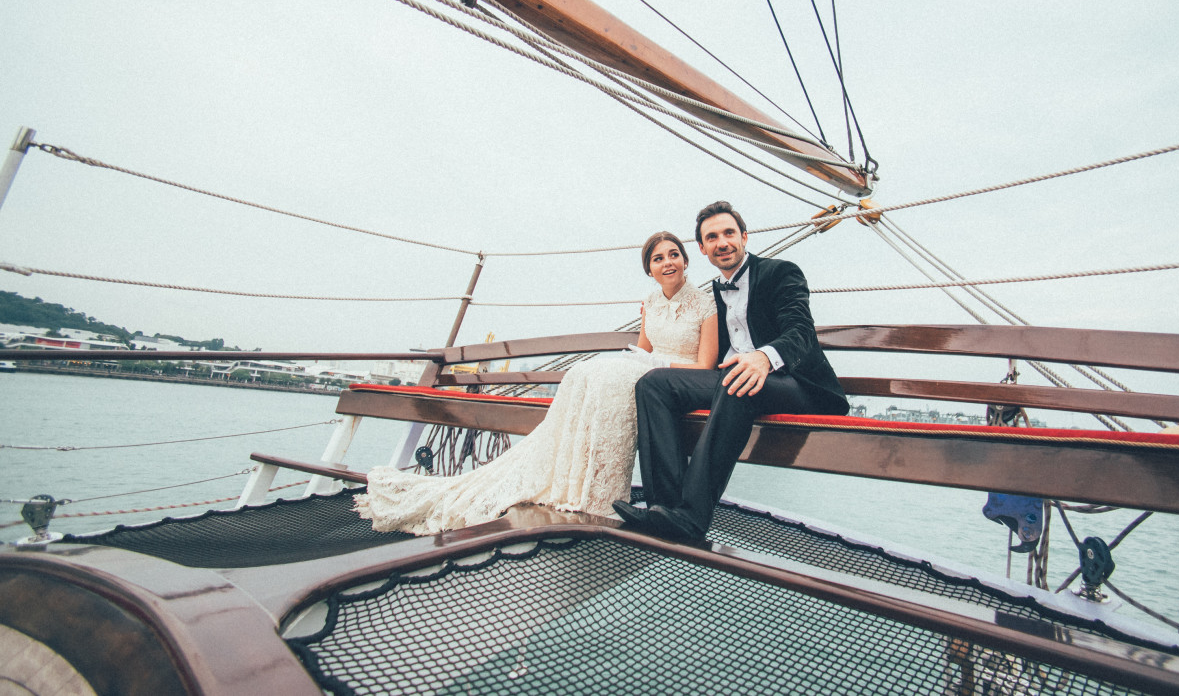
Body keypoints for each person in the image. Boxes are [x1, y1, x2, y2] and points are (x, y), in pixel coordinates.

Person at [356, 231, 718, 535]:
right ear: (649, 269)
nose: (667, 262)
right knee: (584, 373)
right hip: (646, 369)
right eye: (658, 258)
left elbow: (705, 364)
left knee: (604, 379)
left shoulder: (706, 305)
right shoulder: (650, 302)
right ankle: (574, 481)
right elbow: (642, 349)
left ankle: (597, 491)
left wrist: (655, 362)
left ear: (686, 261)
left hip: (676, 377)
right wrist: (642, 359)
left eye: (674, 255)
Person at [614, 201, 848, 541]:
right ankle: (662, 508)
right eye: (712, 237)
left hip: (798, 385)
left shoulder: (781, 272)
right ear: (703, 248)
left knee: (736, 380)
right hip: (737, 380)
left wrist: (764, 358)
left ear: (744, 237)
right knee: (654, 385)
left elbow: (801, 332)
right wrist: (659, 312)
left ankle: (692, 518)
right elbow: (695, 334)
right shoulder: (713, 294)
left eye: (728, 233)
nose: (722, 242)